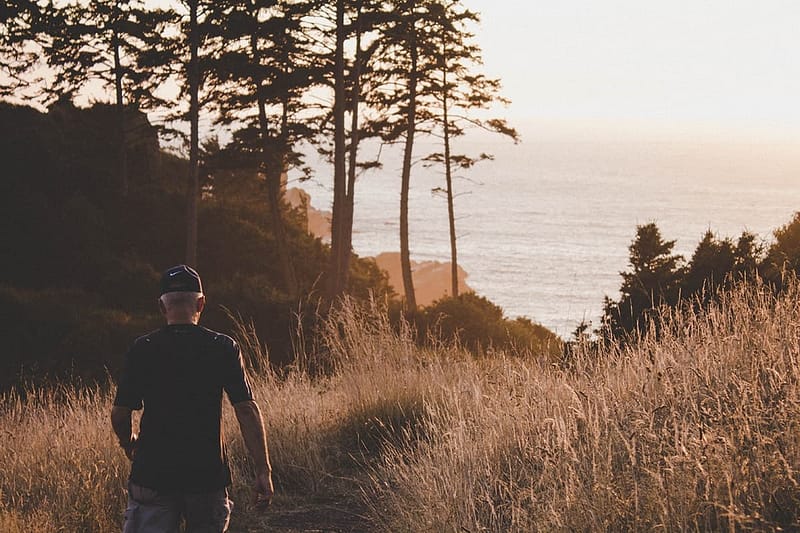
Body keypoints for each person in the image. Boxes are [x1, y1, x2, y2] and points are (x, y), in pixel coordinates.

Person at [111, 265, 274, 533]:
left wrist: (129, 443)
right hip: (206, 478)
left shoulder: (143, 349)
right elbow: (246, 410)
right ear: (201, 303)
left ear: (162, 307)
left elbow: (119, 413)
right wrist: (263, 471)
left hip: (151, 475)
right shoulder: (223, 347)